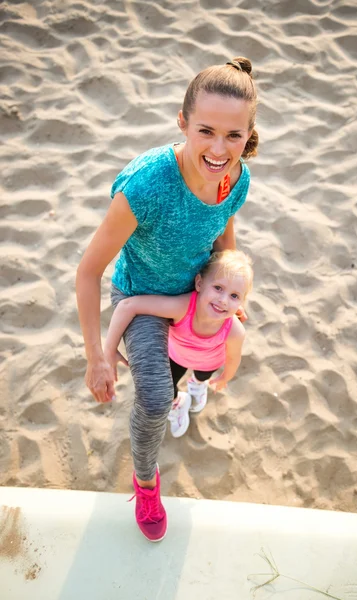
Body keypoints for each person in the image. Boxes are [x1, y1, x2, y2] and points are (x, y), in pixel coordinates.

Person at [75, 56, 259, 543]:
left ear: (248, 134)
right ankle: (146, 483)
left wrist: (231, 290)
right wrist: (97, 356)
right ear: (182, 123)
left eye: (233, 136)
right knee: (155, 399)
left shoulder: (234, 177)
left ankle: (192, 387)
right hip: (142, 295)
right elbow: (89, 270)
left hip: (199, 290)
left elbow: (224, 236)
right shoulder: (147, 186)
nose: (219, 149)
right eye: (205, 131)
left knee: (213, 356)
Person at [104, 250, 253, 439]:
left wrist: (225, 377)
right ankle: (178, 401)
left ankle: (197, 384)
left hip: (209, 362)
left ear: (241, 302)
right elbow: (128, 306)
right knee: (168, 387)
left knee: (202, 376)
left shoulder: (235, 330)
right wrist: (109, 349)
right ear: (199, 283)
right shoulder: (182, 307)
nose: (223, 300)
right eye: (217, 288)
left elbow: (233, 357)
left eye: (234, 296)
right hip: (176, 356)